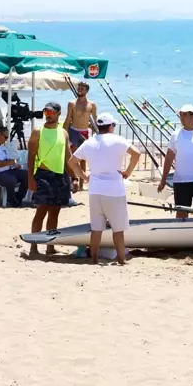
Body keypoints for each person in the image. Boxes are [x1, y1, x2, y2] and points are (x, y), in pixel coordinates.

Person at [68, 113, 141, 265]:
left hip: (95, 190)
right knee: (118, 229)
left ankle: (94, 259)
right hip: (114, 190)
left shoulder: (89, 142)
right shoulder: (118, 140)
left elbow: (71, 162)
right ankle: (121, 260)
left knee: (96, 229)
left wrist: (84, 177)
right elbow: (136, 153)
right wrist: (128, 171)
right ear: (111, 126)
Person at [27, 102, 78, 258]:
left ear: (58, 114)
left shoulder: (63, 133)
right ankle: (34, 247)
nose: (48, 115)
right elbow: (31, 156)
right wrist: (30, 178)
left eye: (51, 112)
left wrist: (74, 177)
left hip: (60, 176)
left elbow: (67, 157)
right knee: (41, 211)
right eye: (46, 112)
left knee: (55, 213)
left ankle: (50, 246)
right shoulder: (38, 131)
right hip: (43, 174)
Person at [158, 104, 193, 218]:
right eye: (180, 115)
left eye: (184, 115)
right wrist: (163, 179)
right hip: (181, 181)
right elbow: (169, 157)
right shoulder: (175, 135)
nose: (181, 117)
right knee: (182, 213)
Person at [63, 81, 97, 191]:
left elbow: (95, 121)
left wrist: (96, 133)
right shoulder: (71, 103)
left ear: (86, 91)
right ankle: (72, 181)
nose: (79, 90)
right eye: (79, 88)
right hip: (73, 131)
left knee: (83, 159)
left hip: (84, 133)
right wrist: (63, 132)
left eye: (82, 89)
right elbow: (68, 118)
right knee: (71, 158)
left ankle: (82, 184)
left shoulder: (92, 105)